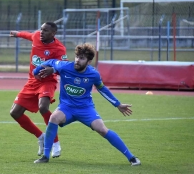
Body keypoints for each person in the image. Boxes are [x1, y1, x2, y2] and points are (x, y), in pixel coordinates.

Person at [33, 43, 141, 166]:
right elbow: (52, 62)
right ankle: (45, 156)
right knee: (53, 118)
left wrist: (117, 104)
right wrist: (38, 70)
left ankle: (131, 157)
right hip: (66, 107)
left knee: (102, 129)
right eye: (77, 57)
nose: (78, 60)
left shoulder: (93, 74)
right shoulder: (64, 67)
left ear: (89, 61)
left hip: (86, 108)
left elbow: (102, 89)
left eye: (82, 58)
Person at [9, 22, 67, 158]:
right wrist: (17, 34)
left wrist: (52, 70)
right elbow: (27, 35)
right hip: (32, 82)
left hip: (47, 81)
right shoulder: (36, 36)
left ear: (53, 34)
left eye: (45, 30)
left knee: (43, 107)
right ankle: (40, 136)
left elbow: (64, 67)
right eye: (41, 29)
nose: (41, 32)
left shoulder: (59, 48)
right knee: (15, 113)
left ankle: (55, 143)